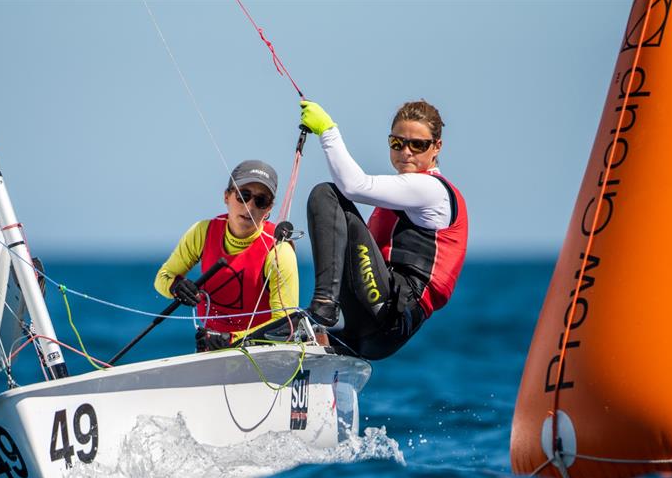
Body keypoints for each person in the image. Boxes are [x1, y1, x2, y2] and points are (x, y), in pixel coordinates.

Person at [298, 99, 468, 360]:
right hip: (370, 332)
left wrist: (328, 131)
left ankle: (323, 308)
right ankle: (316, 329)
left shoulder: (431, 190)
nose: (406, 152)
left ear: (437, 148)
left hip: (388, 316)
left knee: (327, 195)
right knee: (339, 221)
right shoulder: (401, 196)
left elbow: (354, 186)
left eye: (418, 145)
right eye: (397, 143)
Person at [154, 160, 299, 350]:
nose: (250, 206)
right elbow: (162, 278)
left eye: (260, 201)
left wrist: (232, 339)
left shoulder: (279, 251)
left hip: (262, 353)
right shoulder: (202, 232)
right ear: (226, 196)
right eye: (243, 196)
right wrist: (177, 287)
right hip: (210, 352)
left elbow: (285, 324)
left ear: (269, 208)